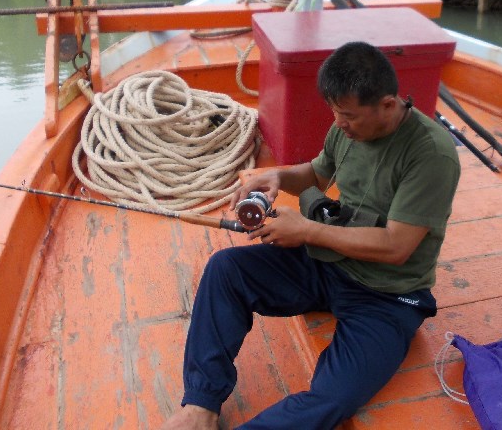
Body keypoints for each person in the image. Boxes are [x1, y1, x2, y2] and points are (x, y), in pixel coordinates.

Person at [163, 41, 461, 429]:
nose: (340, 124)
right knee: (226, 269)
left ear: (388, 105)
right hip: (330, 264)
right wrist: (277, 176)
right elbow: (319, 173)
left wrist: (305, 229)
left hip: (388, 296)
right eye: (336, 113)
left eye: (349, 116)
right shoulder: (349, 126)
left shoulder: (430, 154)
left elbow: (397, 246)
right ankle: (200, 404)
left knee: (335, 396)